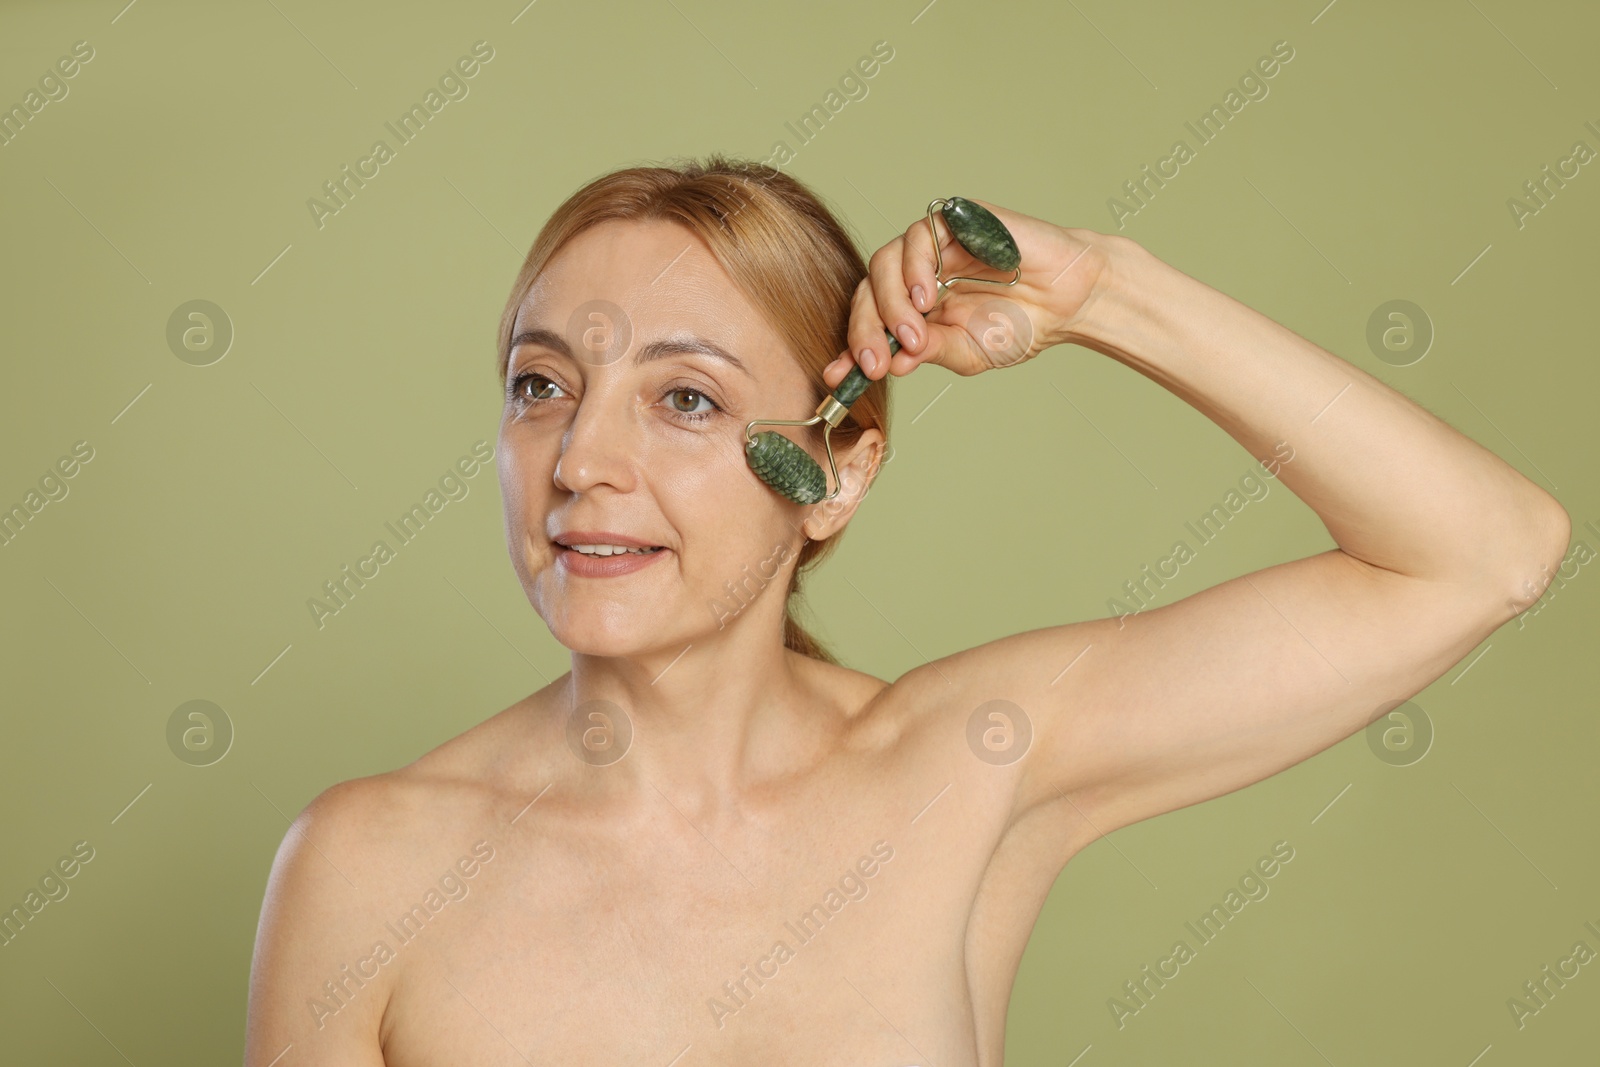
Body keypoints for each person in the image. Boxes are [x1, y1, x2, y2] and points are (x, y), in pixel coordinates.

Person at [243, 155, 1569, 1065]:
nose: (583, 459)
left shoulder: (972, 766)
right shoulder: (369, 868)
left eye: (687, 398)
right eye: (541, 386)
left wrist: (1108, 294)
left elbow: (1484, 551)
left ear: (833, 471)